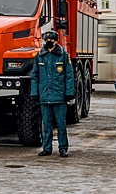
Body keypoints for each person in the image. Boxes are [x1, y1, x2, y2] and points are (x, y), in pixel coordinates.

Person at [31, 30, 75, 158]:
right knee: (46, 125)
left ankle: (63, 148)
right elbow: (35, 76)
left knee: (61, 125)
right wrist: (35, 93)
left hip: (59, 97)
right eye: (47, 40)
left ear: (56, 41)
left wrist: (69, 93)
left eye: (52, 40)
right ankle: (47, 148)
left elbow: (69, 75)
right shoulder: (40, 56)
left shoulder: (63, 56)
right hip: (45, 97)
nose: (49, 42)